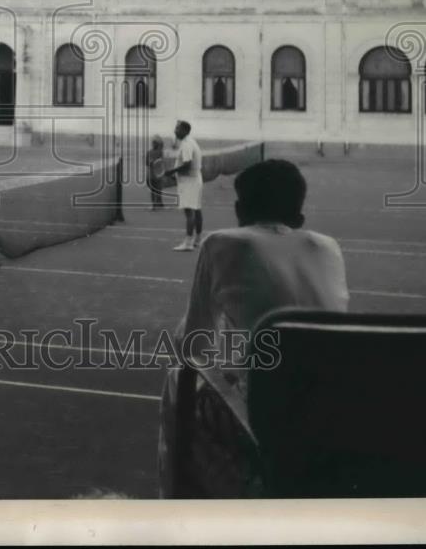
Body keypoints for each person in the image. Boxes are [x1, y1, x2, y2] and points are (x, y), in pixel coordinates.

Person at [157, 158, 349, 497]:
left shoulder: (222, 243)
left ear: (239, 209)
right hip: (331, 408)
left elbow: (194, 346)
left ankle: (179, 499)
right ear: (299, 217)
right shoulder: (328, 247)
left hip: (267, 414)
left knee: (178, 378)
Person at [167, 120, 202, 251]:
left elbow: (187, 164)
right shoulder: (191, 141)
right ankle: (197, 240)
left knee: (189, 211)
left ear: (185, 131)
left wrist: (172, 171)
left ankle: (188, 243)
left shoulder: (187, 144)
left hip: (189, 181)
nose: (175, 131)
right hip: (195, 179)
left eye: (177, 128)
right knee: (196, 210)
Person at [146, 135, 167, 210]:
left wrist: (153, 162)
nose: (153, 144)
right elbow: (147, 163)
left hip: (157, 174)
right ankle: (154, 205)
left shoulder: (160, 152)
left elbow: (161, 162)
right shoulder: (150, 152)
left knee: (158, 190)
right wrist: (151, 162)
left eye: (155, 143)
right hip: (152, 174)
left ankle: (159, 204)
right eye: (153, 143)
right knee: (154, 190)